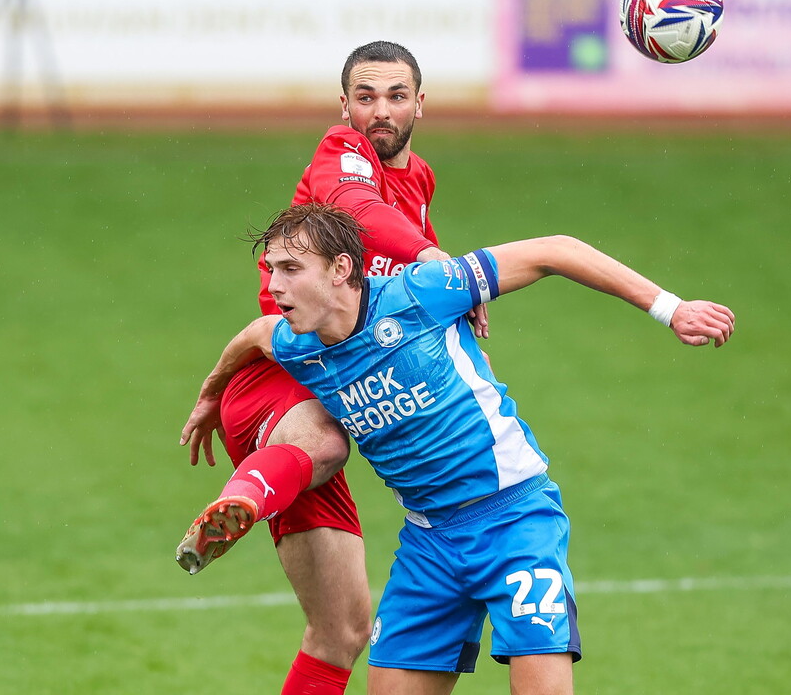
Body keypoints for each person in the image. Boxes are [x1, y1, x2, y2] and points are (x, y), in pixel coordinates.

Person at [179, 202, 735, 695]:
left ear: (342, 269)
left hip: (515, 522)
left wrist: (670, 308)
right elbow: (253, 335)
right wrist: (211, 391)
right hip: (429, 544)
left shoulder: (421, 293)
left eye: (291, 269)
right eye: (271, 269)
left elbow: (555, 251)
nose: (275, 285)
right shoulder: (296, 344)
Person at [176, 41, 485, 695]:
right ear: (344, 105)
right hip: (282, 374)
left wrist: (454, 303)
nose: (380, 111)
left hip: (327, 380)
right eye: (365, 96)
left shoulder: (420, 179)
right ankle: (243, 498)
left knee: (341, 631)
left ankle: (255, 491)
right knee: (325, 439)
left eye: (396, 96)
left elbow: (396, 290)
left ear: (419, 105)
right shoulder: (339, 155)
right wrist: (434, 257)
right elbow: (359, 210)